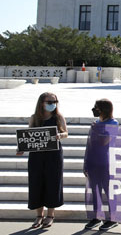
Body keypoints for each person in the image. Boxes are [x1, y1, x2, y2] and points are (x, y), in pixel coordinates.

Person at [17, 92, 68, 229]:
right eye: (50, 102)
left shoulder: (58, 117)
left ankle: (50, 215)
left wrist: (59, 135)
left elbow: (66, 133)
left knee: (53, 183)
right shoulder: (34, 118)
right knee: (36, 183)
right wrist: (21, 148)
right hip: (36, 156)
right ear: (42, 103)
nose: (53, 104)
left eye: (55, 102)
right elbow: (28, 135)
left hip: (54, 155)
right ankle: (39, 215)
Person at [84, 99, 119, 231]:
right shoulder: (96, 123)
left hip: (106, 161)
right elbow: (90, 144)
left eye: (96, 107)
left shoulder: (113, 122)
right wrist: (86, 162)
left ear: (104, 109)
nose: (94, 109)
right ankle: (96, 216)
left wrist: (97, 129)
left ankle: (112, 218)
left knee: (108, 190)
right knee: (95, 190)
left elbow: (106, 140)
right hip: (93, 160)